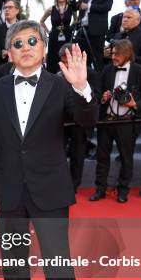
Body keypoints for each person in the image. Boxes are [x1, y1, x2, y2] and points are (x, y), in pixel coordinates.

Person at [0, 20, 98, 280]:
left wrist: (83, 88)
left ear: (44, 48)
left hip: (50, 188)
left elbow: (88, 122)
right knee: (13, 259)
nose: (26, 47)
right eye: (18, 43)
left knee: (58, 262)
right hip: (8, 188)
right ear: (9, 52)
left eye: (33, 40)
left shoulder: (61, 87)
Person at [90, 39, 141, 203]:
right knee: (102, 157)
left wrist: (135, 104)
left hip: (128, 121)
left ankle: (123, 190)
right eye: (112, 54)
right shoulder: (106, 70)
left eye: (117, 54)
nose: (113, 57)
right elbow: (97, 93)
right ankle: (100, 189)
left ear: (127, 54)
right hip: (107, 120)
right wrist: (103, 98)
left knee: (126, 157)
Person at [58, 43, 101, 193]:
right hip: (61, 123)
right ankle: (60, 183)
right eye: (62, 61)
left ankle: (73, 186)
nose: (64, 64)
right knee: (58, 155)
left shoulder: (89, 73)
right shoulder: (58, 76)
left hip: (80, 123)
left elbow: (95, 97)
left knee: (78, 155)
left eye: (67, 60)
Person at [74, 0, 113, 71]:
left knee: (97, 59)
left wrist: (88, 6)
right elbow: (75, 7)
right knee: (81, 59)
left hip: (97, 30)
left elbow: (107, 6)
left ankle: (99, 82)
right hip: (82, 30)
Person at [41, 0, 76, 73]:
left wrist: (70, 28)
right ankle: (52, 77)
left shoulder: (71, 8)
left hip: (67, 36)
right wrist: (49, 32)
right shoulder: (51, 9)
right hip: (54, 36)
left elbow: (76, 19)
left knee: (66, 55)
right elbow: (41, 21)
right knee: (53, 57)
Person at [0, 0, 21, 71]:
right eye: (5, 8)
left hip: (22, 67)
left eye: (10, 7)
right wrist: (4, 53)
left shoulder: (24, 28)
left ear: (17, 11)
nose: (7, 10)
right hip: (2, 70)